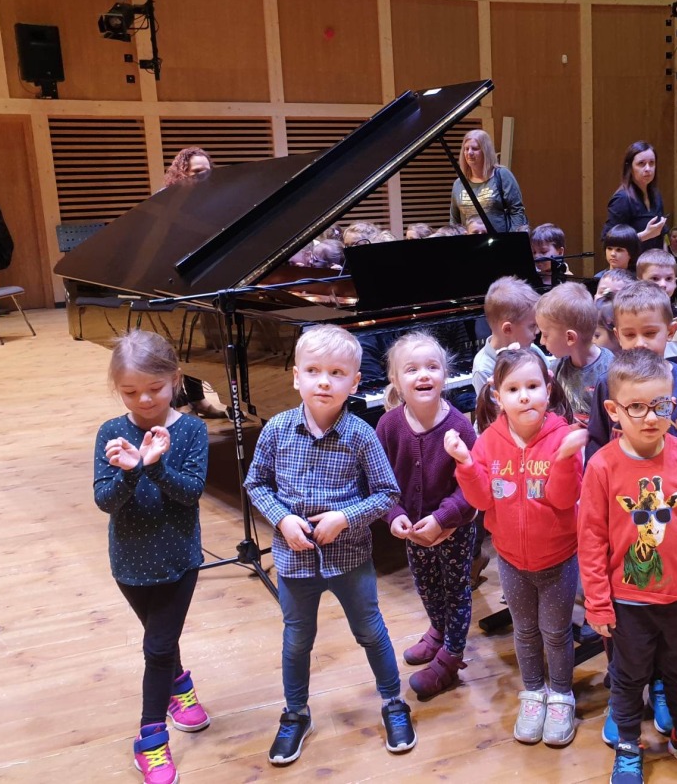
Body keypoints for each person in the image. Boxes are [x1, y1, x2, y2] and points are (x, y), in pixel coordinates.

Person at [243, 325, 416, 764]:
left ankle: (393, 702)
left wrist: (345, 517)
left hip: (350, 558)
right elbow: (256, 483)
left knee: (370, 631)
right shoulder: (277, 430)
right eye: (314, 371)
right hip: (294, 560)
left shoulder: (361, 434)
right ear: (296, 377)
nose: (324, 382)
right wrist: (282, 519)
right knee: (297, 639)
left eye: (337, 373)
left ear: (354, 383)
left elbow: (387, 493)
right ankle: (296, 713)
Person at [579, 348, 677, 784]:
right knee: (627, 677)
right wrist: (597, 602)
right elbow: (591, 540)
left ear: (673, 404)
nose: (650, 417)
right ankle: (629, 744)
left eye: (660, 406)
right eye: (637, 407)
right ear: (613, 410)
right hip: (627, 601)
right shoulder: (602, 466)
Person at [445, 349, 587, 747]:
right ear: (497, 395)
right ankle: (534, 692)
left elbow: (563, 499)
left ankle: (561, 695)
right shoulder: (489, 441)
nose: (524, 396)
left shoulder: (562, 437)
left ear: (548, 389)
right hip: (510, 560)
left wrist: (565, 458)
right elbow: (480, 500)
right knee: (524, 632)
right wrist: (465, 463)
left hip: (558, 559)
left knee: (556, 633)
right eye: (513, 389)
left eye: (532, 386)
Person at [94, 330, 210, 784]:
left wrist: (153, 464)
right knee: (161, 640)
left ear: (176, 379)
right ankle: (179, 684)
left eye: (155, 388)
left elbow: (190, 494)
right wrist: (127, 473)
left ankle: (151, 740)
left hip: (179, 560)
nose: (143, 400)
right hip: (129, 562)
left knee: (157, 647)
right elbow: (105, 501)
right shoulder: (111, 432)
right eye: (129, 392)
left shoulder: (193, 430)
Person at [375, 332, 477, 700]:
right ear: (395, 380)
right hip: (414, 530)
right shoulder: (389, 426)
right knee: (427, 585)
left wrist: (444, 519)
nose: (423, 375)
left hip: (455, 529)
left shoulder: (460, 427)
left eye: (432, 367)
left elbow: (473, 484)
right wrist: (394, 515)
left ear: (445, 375)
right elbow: (379, 479)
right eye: (412, 369)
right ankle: (438, 629)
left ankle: (452, 656)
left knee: (456, 589)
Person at [586, 281, 677, 463]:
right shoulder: (607, 382)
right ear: (618, 336)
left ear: (670, 331)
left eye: (650, 333)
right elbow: (597, 441)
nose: (640, 343)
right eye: (630, 335)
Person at [159, 151, 227, 418]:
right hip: (175, 280)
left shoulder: (216, 201)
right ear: (182, 173)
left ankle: (198, 400)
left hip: (206, 279)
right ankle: (179, 403)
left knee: (198, 344)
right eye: (196, 171)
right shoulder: (167, 200)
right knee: (176, 344)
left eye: (207, 170)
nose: (203, 175)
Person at [537, 282, 614, 425]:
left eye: (546, 335)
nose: (541, 341)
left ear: (570, 338)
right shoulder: (556, 369)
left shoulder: (610, 370)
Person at [470, 276, 546, 398]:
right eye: (532, 326)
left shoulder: (533, 350)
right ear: (507, 329)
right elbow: (492, 408)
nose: (537, 331)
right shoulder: (484, 368)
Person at [449, 129, 527, 232]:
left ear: (486, 151)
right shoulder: (458, 183)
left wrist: (513, 238)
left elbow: (517, 211)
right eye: (466, 149)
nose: (469, 152)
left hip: (500, 239)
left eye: (475, 148)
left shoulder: (502, 175)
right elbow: (454, 220)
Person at [637, 248, 677, 364]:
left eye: (669, 279)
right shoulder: (630, 321)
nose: (663, 284)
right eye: (655, 278)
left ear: (675, 282)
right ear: (639, 282)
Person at [604, 140, 667, 251]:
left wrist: (666, 259)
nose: (648, 169)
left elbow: (662, 236)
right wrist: (645, 235)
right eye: (641, 163)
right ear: (630, 168)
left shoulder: (656, 196)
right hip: (633, 262)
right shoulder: (622, 199)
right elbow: (608, 240)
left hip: (654, 260)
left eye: (652, 163)